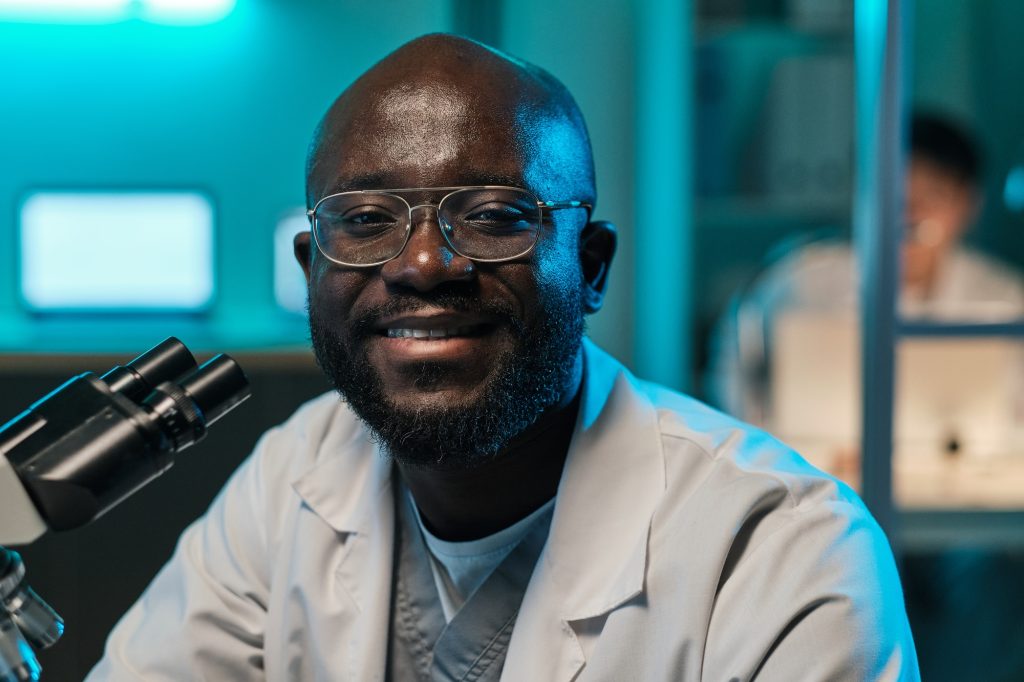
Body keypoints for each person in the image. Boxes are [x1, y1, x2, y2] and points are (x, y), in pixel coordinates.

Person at [88, 34, 918, 680]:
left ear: (588, 268)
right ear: (313, 271)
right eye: (367, 218)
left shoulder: (784, 551)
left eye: (492, 215)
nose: (421, 265)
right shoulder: (294, 477)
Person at [710, 112, 1024, 423]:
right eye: (896, 196)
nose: (911, 214)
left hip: (972, 470)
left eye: (933, 196)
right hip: (821, 465)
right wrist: (768, 446)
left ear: (967, 205)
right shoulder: (802, 278)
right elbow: (736, 360)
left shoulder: (1006, 296)